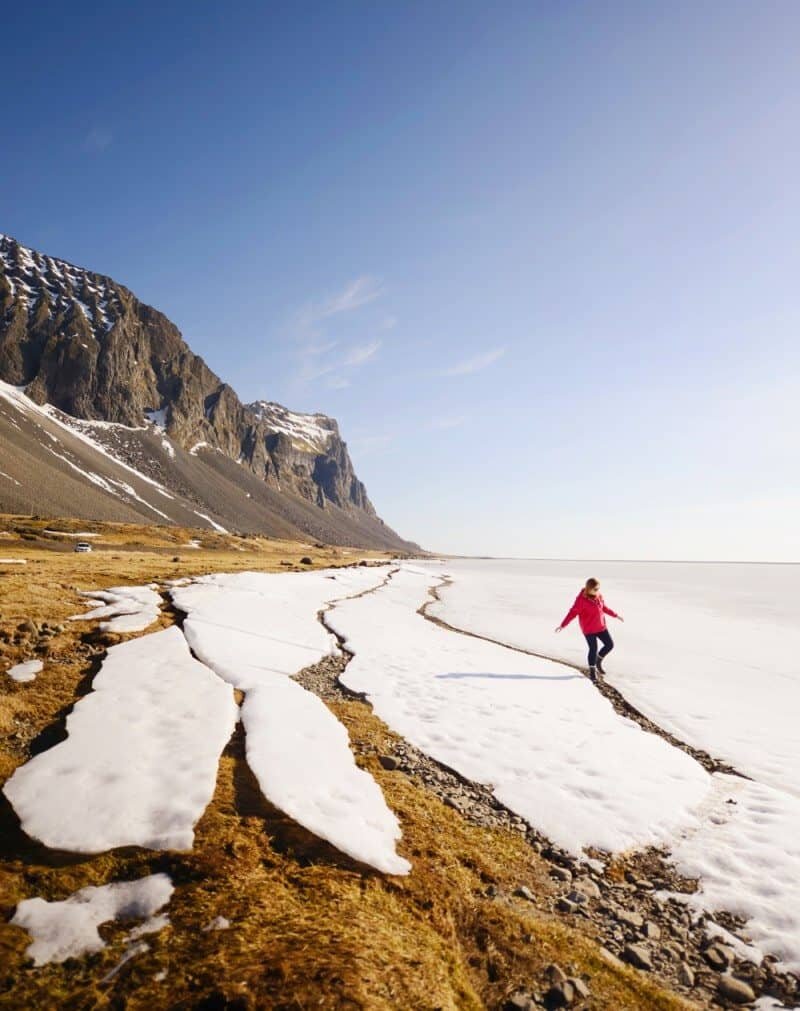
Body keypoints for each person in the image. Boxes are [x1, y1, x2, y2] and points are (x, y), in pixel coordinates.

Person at [555, 577, 624, 681]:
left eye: (598, 589)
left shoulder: (599, 596)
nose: (597, 591)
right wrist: (563, 625)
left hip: (601, 627)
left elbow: (604, 608)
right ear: (589, 588)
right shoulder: (580, 600)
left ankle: (598, 661)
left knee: (609, 645)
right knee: (593, 648)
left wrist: (615, 615)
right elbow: (572, 613)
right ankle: (592, 670)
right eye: (595, 589)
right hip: (589, 629)